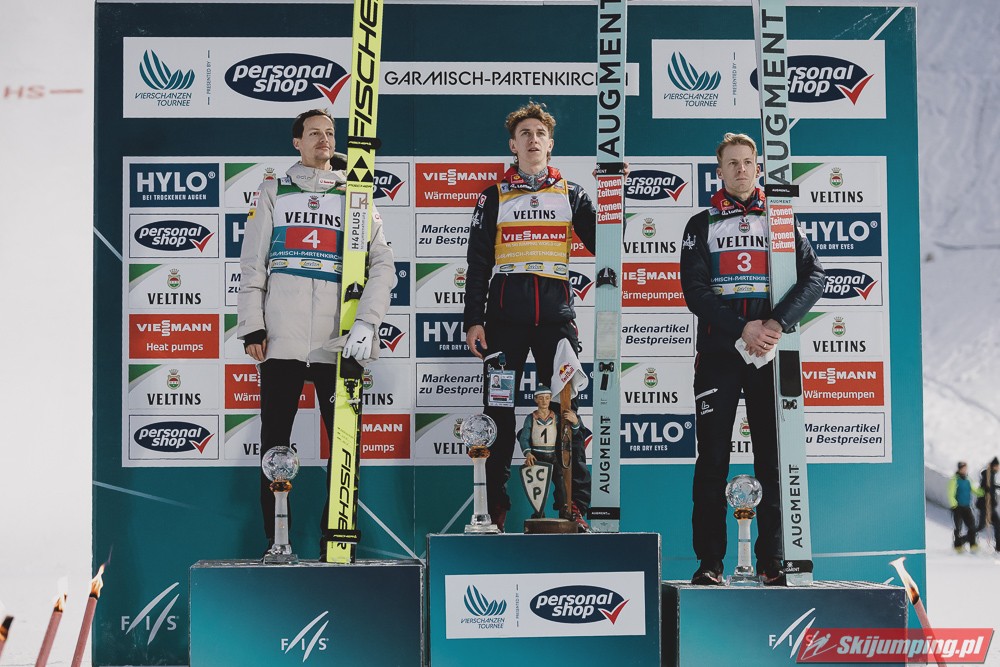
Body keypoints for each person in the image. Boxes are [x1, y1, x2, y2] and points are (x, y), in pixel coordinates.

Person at [237, 108, 395, 557]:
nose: (324, 139)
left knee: (345, 448)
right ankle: (277, 542)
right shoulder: (275, 190)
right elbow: (253, 263)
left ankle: (337, 543)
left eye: (329, 132)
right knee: (274, 446)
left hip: (339, 341)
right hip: (281, 339)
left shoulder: (356, 195)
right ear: (297, 143)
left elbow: (383, 265)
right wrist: (253, 325)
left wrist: (367, 322)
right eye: (313, 133)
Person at [679, 132, 825, 585]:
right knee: (712, 461)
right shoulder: (701, 223)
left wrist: (777, 323)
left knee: (773, 460)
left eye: (748, 162)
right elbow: (695, 291)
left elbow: (815, 276)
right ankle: (710, 563)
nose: (741, 169)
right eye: (732, 163)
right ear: (719, 171)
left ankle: (771, 562)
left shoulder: (780, 218)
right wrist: (741, 327)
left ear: (758, 168)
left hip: (769, 354)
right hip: (720, 354)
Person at [463, 101, 594, 533]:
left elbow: (606, 242)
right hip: (504, 324)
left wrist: (614, 196)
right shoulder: (493, 196)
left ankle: (572, 506)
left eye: (540, 133)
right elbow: (478, 263)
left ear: (550, 144)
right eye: (525, 134)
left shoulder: (572, 194)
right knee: (498, 413)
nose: (533, 139)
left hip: (556, 323)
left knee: (566, 412)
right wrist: (473, 319)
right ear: (513, 145)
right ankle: (492, 509)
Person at [518, 385, 581, 519]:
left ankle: (563, 509)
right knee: (537, 485)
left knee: (560, 481)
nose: (544, 401)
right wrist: (528, 453)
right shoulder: (531, 418)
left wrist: (575, 422)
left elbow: (570, 433)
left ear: (551, 399)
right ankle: (538, 512)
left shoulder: (556, 417)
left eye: (547, 398)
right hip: (537, 456)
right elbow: (524, 438)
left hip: (552, 455)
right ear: (536, 399)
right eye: (541, 398)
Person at [948, 461, 983, 553]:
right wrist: (954, 505)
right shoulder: (954, 480)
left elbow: (974, 490)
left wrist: (983, 492)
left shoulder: (968, 480)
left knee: (972, 526)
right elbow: (951, 493)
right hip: (958, 508)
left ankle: (973, 544)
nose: (964, 470)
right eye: (963, 468)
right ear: (959, 469)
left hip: (967, 507)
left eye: (965, 468)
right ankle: (958, 546)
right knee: (958, 527)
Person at [976, 457, 999, 550]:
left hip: (990, 506)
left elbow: (991, 486)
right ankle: (962, 540)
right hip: (985, 506)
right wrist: (987, 489)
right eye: (998, 466)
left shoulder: (991, 474)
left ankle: (998, 546)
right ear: (994, 466)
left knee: (998, 524)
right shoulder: (987, 474)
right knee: (981, 526)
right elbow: (984, 487)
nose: (999, 468)